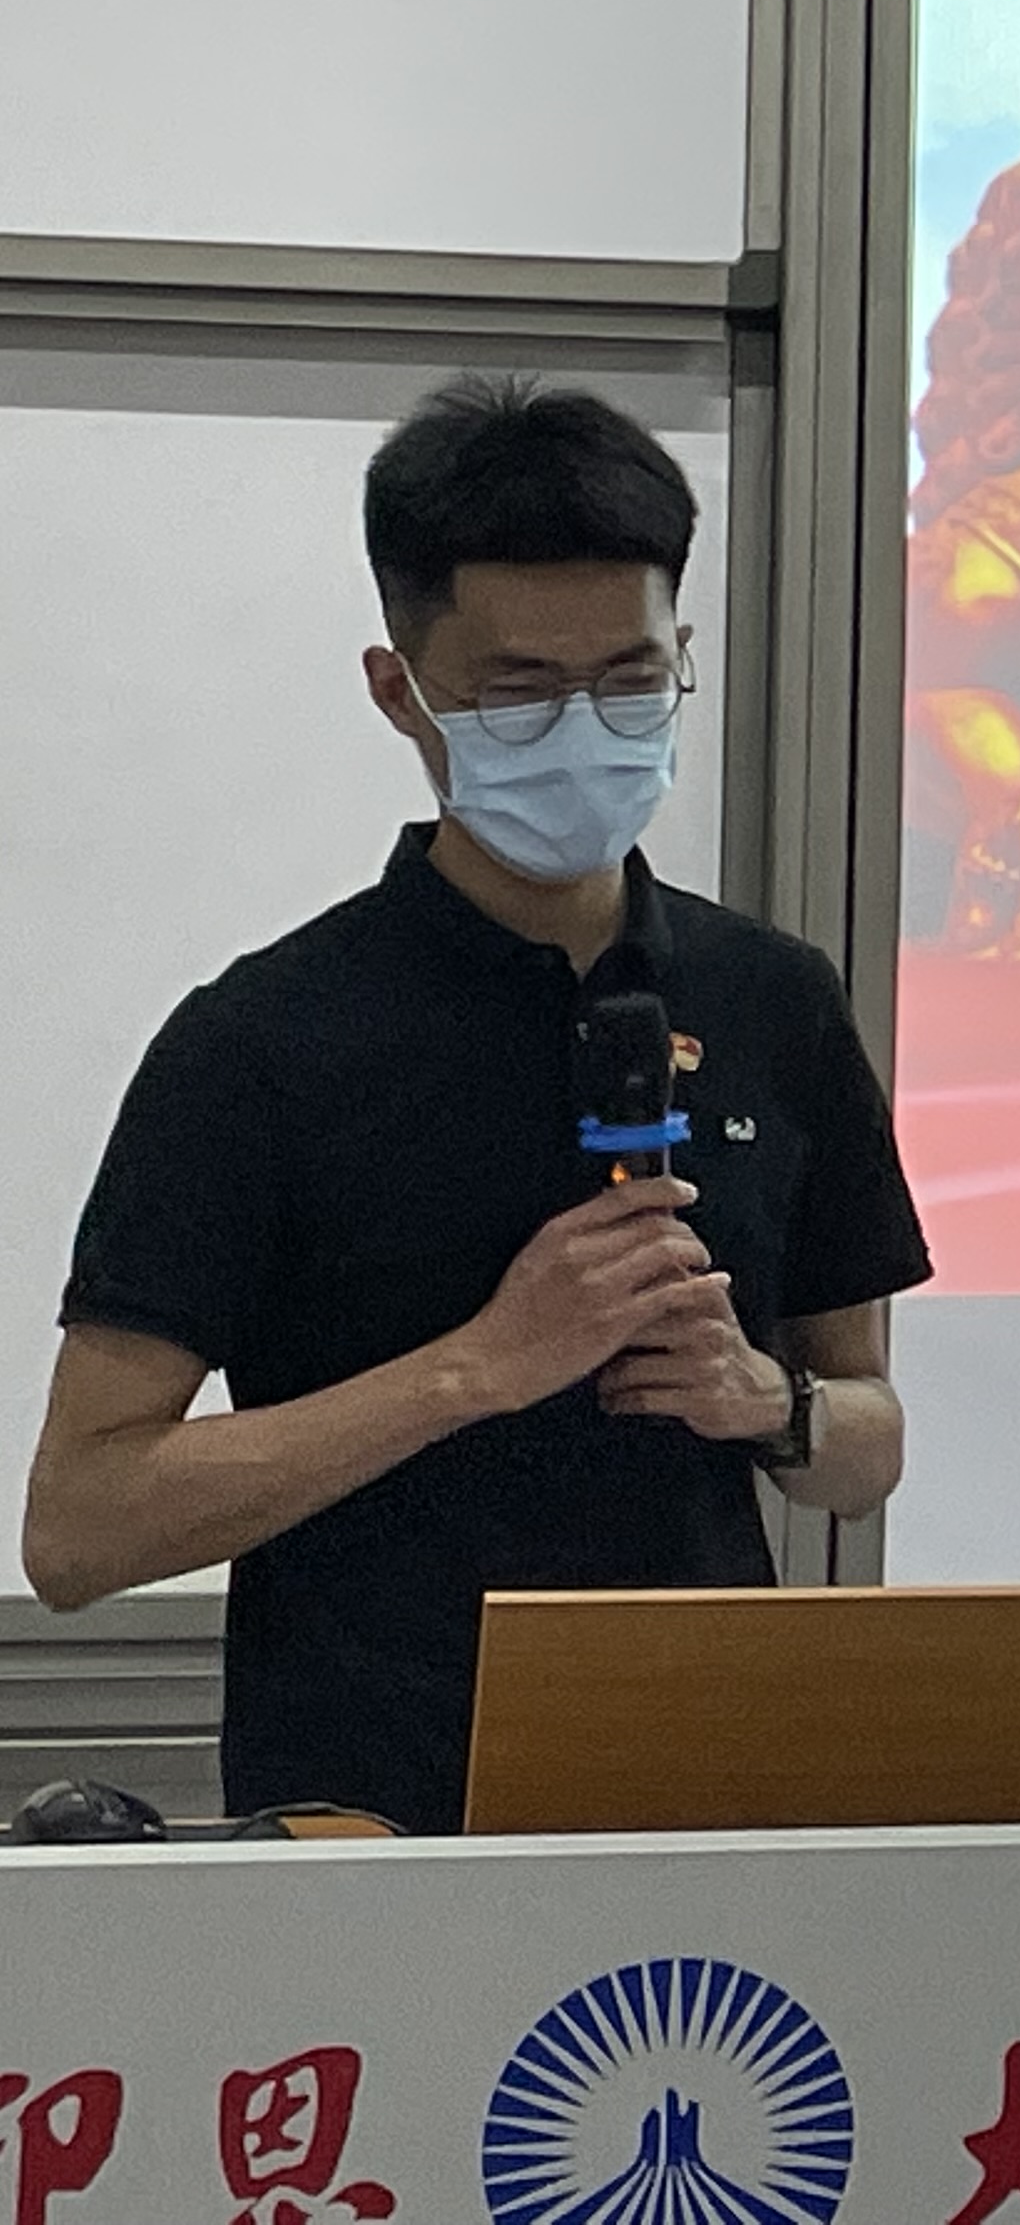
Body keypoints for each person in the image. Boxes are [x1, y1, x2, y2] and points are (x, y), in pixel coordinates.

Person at [19, 377, 931, 1833]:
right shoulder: (261, 1043)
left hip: (713, 1810)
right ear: (401, 691)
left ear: (684, 656)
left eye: (631, 678)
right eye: (519, 691)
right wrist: (478, 1368)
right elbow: (78, 1528)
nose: (586, 728)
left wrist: (771, 1403)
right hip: (371, 1830)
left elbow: (867, 1438)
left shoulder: (775, 999)